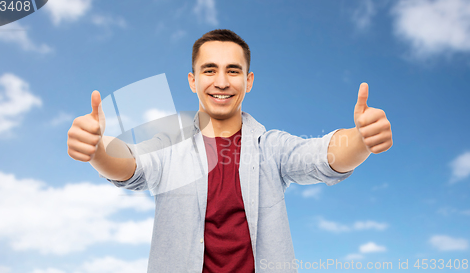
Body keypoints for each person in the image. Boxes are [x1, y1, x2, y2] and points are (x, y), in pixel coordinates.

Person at [67, 29, 393, 272]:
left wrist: (362, 140)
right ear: (193, 81)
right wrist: (97, 149)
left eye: (233, 71)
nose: (221, 82)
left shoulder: (271, 147)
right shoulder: (170, 146)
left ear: (248, 81)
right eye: (210, 70)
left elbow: (321, 156)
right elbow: (132, 164)